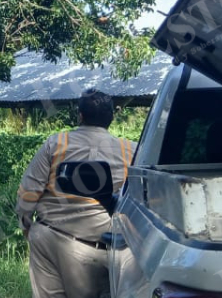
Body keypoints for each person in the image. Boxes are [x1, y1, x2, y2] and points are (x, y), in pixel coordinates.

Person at [16, 89, 135, 298]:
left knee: (40, 236)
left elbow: (28, 194)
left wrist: (26, 225)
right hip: (106, 246)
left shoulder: (56, 143)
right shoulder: (131, 150)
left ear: (80, 115)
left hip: (51, 237)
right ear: (111, 118)